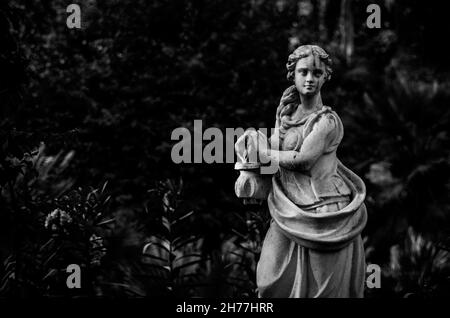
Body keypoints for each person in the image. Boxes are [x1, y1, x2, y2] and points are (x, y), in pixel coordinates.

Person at [241, 45, 367, 297]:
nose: (310, 78)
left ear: (325, 77)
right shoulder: (287, 113)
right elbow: (274, 151)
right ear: (293, 75)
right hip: (288, 209)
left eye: (317, 73)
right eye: (303, 72)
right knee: (268, 282)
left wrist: (263, 153)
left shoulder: (327, 120)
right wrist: (251, 140)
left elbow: (303, 160)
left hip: (324, 213)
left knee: (323, 293)